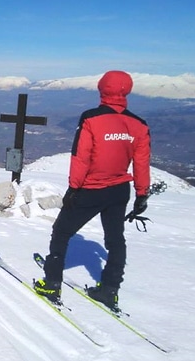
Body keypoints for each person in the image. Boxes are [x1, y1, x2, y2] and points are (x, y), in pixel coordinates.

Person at [33, 70, 151, 311]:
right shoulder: (139, 124)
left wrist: (73, 188)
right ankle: (110, 290)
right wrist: (141, 194)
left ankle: (52, 282)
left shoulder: (91, 118)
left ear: (101, 88)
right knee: (115, 240)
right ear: (127, 90)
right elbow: (142, 162)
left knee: (62, 231)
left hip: (90, 189)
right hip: (119, 191)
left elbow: (81, 157)